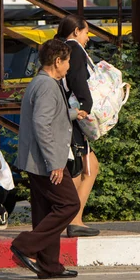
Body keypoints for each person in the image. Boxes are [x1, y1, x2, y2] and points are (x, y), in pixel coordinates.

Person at [11, 38, 82, 279]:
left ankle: (49, 265)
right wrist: (55, 164)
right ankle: (25, 245)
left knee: (44, 210)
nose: (69, 66)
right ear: (57, 61)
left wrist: (72, 114)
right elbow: (41, 124)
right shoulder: (48, 86)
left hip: (36, 160)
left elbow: (48, 115)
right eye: (68, 61)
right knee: (69, 204)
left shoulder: (42, 82)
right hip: (45, 162)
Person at [56, 14, 100, 237]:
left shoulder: (59, 49)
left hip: (63, 116)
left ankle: (74, 219)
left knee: (87, 166)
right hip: (74, 117)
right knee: (82, 169)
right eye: (86, 32)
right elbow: (78, 81)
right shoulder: (75, 50)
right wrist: (88, 105)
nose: (88, 37)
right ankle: (72, 219)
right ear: (76, 32)